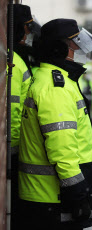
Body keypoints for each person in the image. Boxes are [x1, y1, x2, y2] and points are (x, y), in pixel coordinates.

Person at [18, 19, 92, 230]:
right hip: (52, 199)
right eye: (76, 43)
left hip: (48, 197)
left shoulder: (53, 79)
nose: (81, 48)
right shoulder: (56, 88)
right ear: (59, 47)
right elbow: (62, 147)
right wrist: (78, 194)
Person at [7, 4, 41, 229]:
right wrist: (14, 150)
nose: (29, 34)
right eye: (27, 29)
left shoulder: (18, 58)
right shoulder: (15, 62)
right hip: (15, 149)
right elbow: (13, 111)